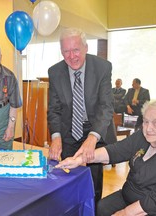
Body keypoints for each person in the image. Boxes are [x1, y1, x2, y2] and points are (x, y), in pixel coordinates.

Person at [56, 99, 156, 216]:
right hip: (131, 194)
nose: (148, 128)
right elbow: (115, 151)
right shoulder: (145, 136)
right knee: (102, 207)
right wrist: (80, 159)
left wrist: (125, 213)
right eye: (146, 121)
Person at [47, 27, 114, 203]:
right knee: (69, 179)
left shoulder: (102, 68)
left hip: (94, 129)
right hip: (69, 131)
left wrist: (92, 138)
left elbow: (106, 107)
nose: (71, 56)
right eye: (66, 51)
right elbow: (54, 109)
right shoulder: (54, 72)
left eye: (76, 49)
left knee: (93, 183)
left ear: (86, 48)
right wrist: (55, 137)